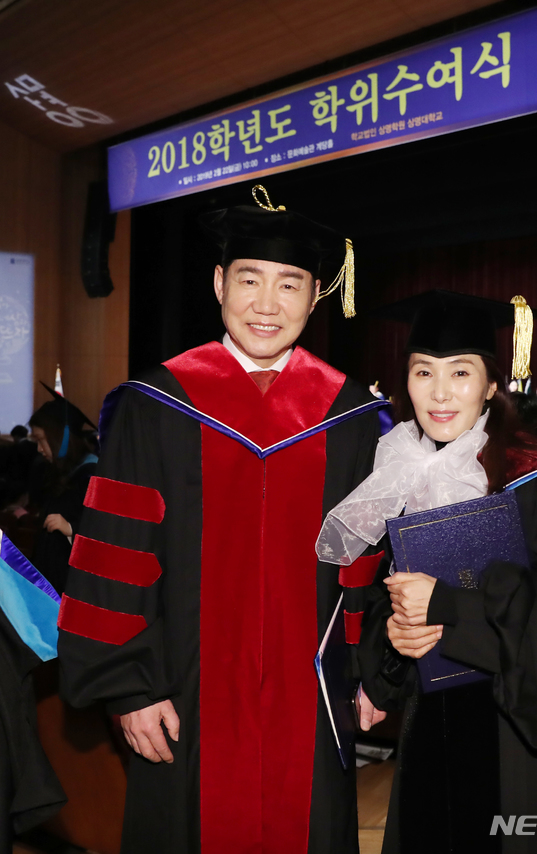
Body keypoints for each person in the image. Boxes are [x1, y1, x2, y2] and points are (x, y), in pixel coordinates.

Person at [56, 185, 384, 854]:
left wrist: (372, 672)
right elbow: (116, 554)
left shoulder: (350, 417)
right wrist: (129, 689)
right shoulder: (157, 405)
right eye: (249, 280)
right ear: (218, 284)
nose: (267, 304)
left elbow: (365, 565)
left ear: (314, 297)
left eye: (289, 284)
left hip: (311, 699)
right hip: (181, 694)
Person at [317, 290, 537, 854]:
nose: (440, 392)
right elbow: (379, 602)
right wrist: (396, 637)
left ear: (491, 385)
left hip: (514, 743)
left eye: (460, 372)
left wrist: (451, 609)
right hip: (426, 736)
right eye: (423, 372)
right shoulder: (398, 478)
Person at [28, 387, 98, 595]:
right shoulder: (58, 474)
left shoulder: (91, 476)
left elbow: (104, 530)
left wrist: (71, 529)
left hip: (74, 589)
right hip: (51, 583)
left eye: (41, 440)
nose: (39, 449)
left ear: (60, 437)